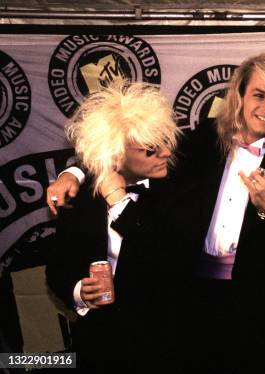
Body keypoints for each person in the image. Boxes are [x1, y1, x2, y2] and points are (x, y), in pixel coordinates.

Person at [46, 51, 265, 373]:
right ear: (238, 96)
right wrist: (74, 174)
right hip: (188, 305)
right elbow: (127, 144)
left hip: (252, 307)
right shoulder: (203, 140)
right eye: (259, 95)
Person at [45, 80, 181, 372]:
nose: (166, 154)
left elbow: (165, 256)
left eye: (166, 143)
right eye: (151, 150)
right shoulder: (81, 195)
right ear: (117, 155)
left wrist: (118, 201)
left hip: (162, 346)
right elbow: (58, 267)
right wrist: (80, 290)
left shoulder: (179, 190)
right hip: (99, 345)